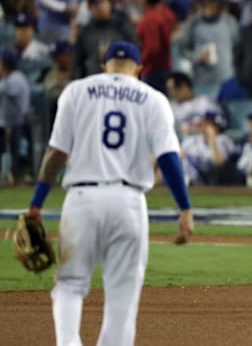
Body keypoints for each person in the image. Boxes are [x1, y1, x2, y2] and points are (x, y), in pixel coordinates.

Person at [24, 41, 193, 345]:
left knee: (70, 286)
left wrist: (36, 203)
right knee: (122, 299)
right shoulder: (153, 99)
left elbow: (56, 153)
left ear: (104, 67)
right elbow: (168, 157)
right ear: (139, 70)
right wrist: (185, 208)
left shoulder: (76, 91)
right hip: (129, 204)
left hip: (81, 201)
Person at [178, 0, 240, 97]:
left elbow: (237, 46)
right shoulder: (194, 23)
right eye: (218, 4)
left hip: (226, 79)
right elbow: (182, 49)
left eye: (223, 5)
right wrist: (197, 56)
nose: (221, 8)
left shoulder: (230, 21)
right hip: (203, 81)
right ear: (209, 3)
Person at [74, 0, 138, 79]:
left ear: (109, 3)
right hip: (94, 81)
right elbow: (78, 62)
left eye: (103, 3)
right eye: (96, 5)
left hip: (121, 80)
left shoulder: (122, 25)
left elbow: (136, 51)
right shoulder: (85, 31)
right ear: (89, 7)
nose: (100, 7)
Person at [136, 0, 176, 94]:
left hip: (153, 71)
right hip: (167, 65)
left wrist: (139, 64)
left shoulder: (149, 19)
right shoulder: (167, 13)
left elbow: (153, 48)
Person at [0, 49, 30, 185]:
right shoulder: (10, 78)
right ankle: (7, 176)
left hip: (16, 124)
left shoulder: (16, 79)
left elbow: (5, 90)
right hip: (9, 124)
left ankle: (12, 178)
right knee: (8, 152)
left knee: (12, 153)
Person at [181, 111, 235, 185]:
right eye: (204, 123)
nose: (204, 126)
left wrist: (212, 141)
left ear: (216, 127)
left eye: (208, 124)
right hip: (191, 178)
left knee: (208, 165)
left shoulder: (223, 140)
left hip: (212, 180)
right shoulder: (191, 140)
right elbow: (179, 157)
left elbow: (219, 162)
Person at [166, 71, 221, 136]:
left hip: (206, 141)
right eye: (169, 90)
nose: (172, 93)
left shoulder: (205, 102)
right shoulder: (170, 109)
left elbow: (219, 122)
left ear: (184, 86)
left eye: (174, 89)